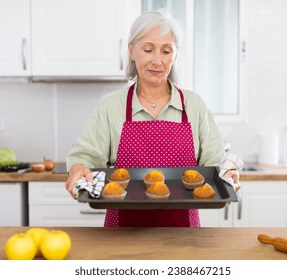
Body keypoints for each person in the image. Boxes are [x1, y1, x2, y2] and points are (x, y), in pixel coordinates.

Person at [65, 10, 241, 227]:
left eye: (166, 51)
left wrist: (228, 174)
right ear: (131, 50)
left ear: (175, 56)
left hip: (184, 232)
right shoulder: (111, 106)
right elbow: (85, 157)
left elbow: (215, 164)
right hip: (121, 231)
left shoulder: (194, 105)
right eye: (148, 49)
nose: (157, 60)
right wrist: (78, 167)